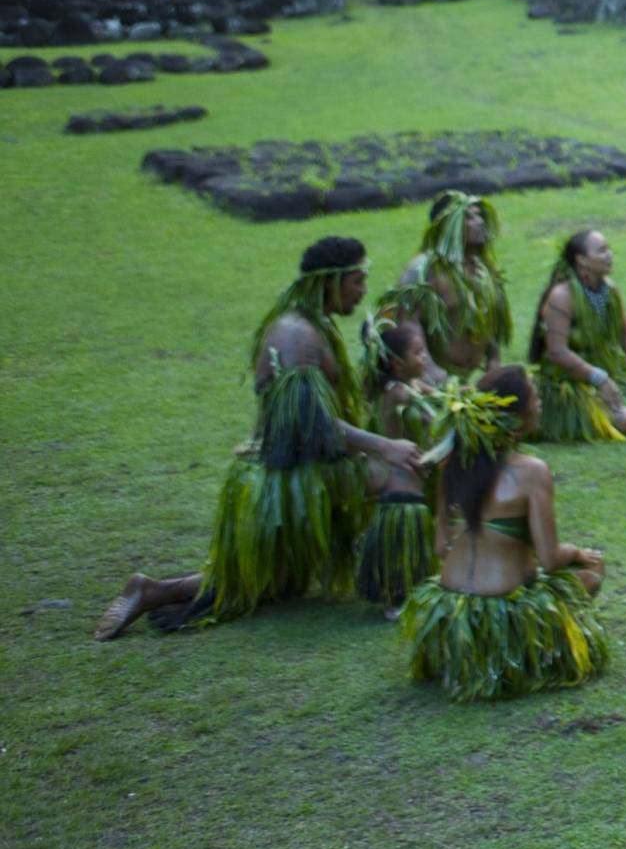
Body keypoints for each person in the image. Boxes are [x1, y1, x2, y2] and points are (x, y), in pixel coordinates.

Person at [98, 236, 425, 638]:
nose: (362, 290)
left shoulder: (312, 324)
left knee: (267, 584)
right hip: (287, 479)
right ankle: (398, 592)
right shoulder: (296, 333)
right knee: (402, 472)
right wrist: (384, 445)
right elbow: (309, 422)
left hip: (300, 469)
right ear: (331, 281)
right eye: (357, 280)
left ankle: (153, 590)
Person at [399, 366, 609, 701]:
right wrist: (579, 553)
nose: (540, 404)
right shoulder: (531, 471)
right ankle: (526, 656)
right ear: (517, 418)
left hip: (454, 614)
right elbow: (552, 560)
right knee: (592, 574)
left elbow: (441, 547)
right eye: (536, 398)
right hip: (504, 618)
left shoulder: (452, 463)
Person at [527, 229, 626, 441]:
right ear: (582, 260)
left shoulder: (610, 289)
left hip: (602, 375)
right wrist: (600, 379)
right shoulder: (562, 296)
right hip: (568, 384)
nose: (609, 255)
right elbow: (557, 351)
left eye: (609, 249)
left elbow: (625, 333)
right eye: (601, 250)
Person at [354, 321, 439, 615]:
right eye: (418, 352)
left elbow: (438, 395)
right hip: (392, 471)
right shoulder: (397, 394)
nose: (424, 357)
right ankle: (398, 594)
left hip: (407, 464)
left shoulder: (412, 385)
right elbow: (433, 421)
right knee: (407, 516)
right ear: (396, 363)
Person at [383, 190, 511, 376]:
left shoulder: (483, 269)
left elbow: (487, 319)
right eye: (469, 217)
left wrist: (493, 359)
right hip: (437, 380)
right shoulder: (422, 271)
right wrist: (435, 377)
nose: (480, 222)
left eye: (479, 215)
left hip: (475, 378)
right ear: (447, 225)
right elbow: (408, 327)